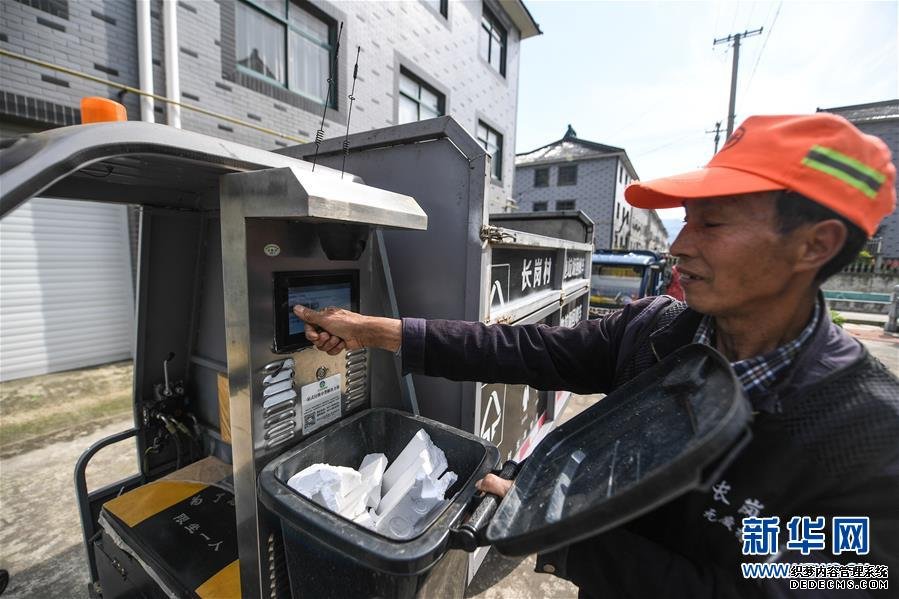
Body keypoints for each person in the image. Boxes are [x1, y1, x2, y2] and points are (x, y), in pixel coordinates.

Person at [294, 114, 899, 597]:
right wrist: (376, 331)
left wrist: (559, 532)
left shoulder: (871, 441)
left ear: (813, 245)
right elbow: (526, 349)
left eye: (711, 224)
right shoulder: (660, 333)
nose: (681, 247)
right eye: (684, 222)